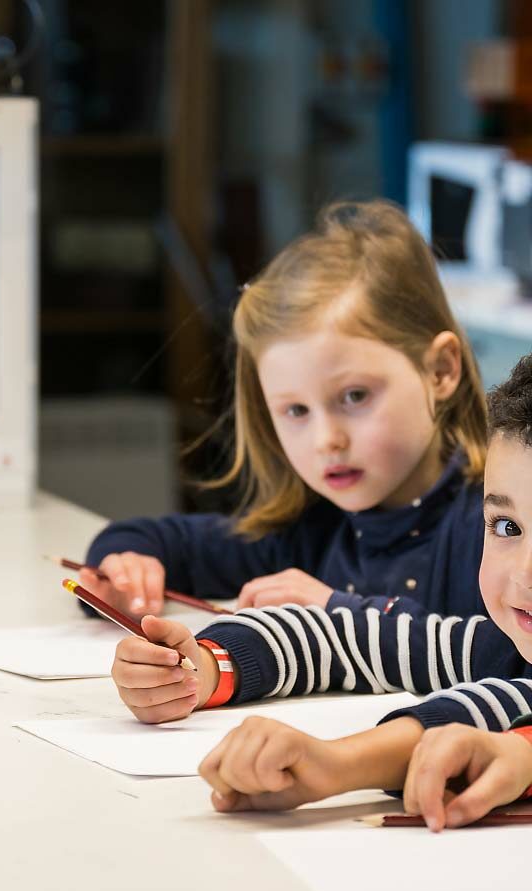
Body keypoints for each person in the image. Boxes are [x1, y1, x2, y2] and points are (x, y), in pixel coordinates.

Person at [81, 200, 487, 625]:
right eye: (296, 410)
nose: (326, 439)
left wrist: (339, 614)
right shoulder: (314, 530)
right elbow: (156, 539)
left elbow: (503, 655)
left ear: (441, 370)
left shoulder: (499, 527)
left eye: (354, 397)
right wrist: (126, 572)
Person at [196, 355, 532, 829]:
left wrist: (338, 764)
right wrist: (206, 667)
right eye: (507, 526)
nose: (525, 571)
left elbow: (489, 713)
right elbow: (348, 638)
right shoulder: (498, 646)